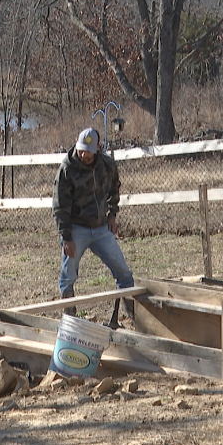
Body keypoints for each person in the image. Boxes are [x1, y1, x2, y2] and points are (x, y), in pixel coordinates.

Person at [53, 127, 135, 316]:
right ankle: (70, 319)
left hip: (100, 229)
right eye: (81, 149)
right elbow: (59, 205)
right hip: (76, 229)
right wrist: (66, 237)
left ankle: (135, 317)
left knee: (123, 272)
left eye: (88, 151)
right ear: (76, 142)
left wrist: (112, 214)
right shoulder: (67, 168)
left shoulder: (107, 165)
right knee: (68, 277)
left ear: (97, 148)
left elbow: (115, 187)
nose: (84, 154)